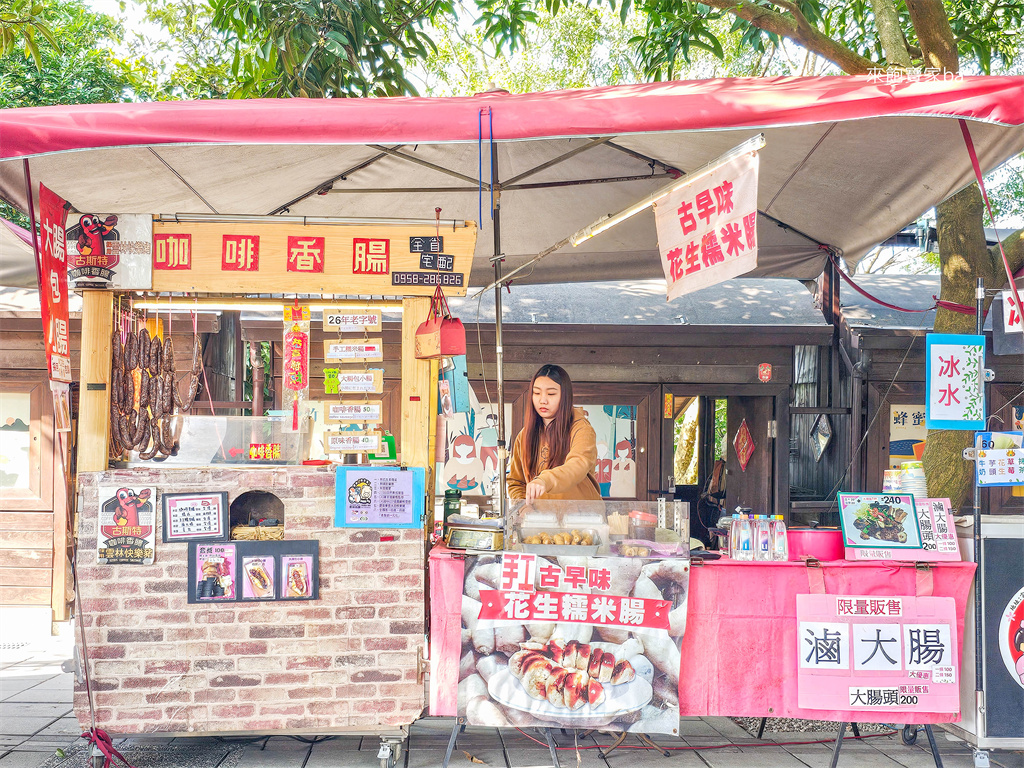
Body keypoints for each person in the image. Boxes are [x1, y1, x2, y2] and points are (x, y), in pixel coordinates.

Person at [507, 364, 602, 502]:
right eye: (537, 393)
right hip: (541, 520)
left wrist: (544, 481)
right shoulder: (524, 435)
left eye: (551, 394)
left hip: (582, 518)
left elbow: (577, 465)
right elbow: (516, 482)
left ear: (565, 396)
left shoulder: (582, 429)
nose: (542, 400)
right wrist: (524, 509)